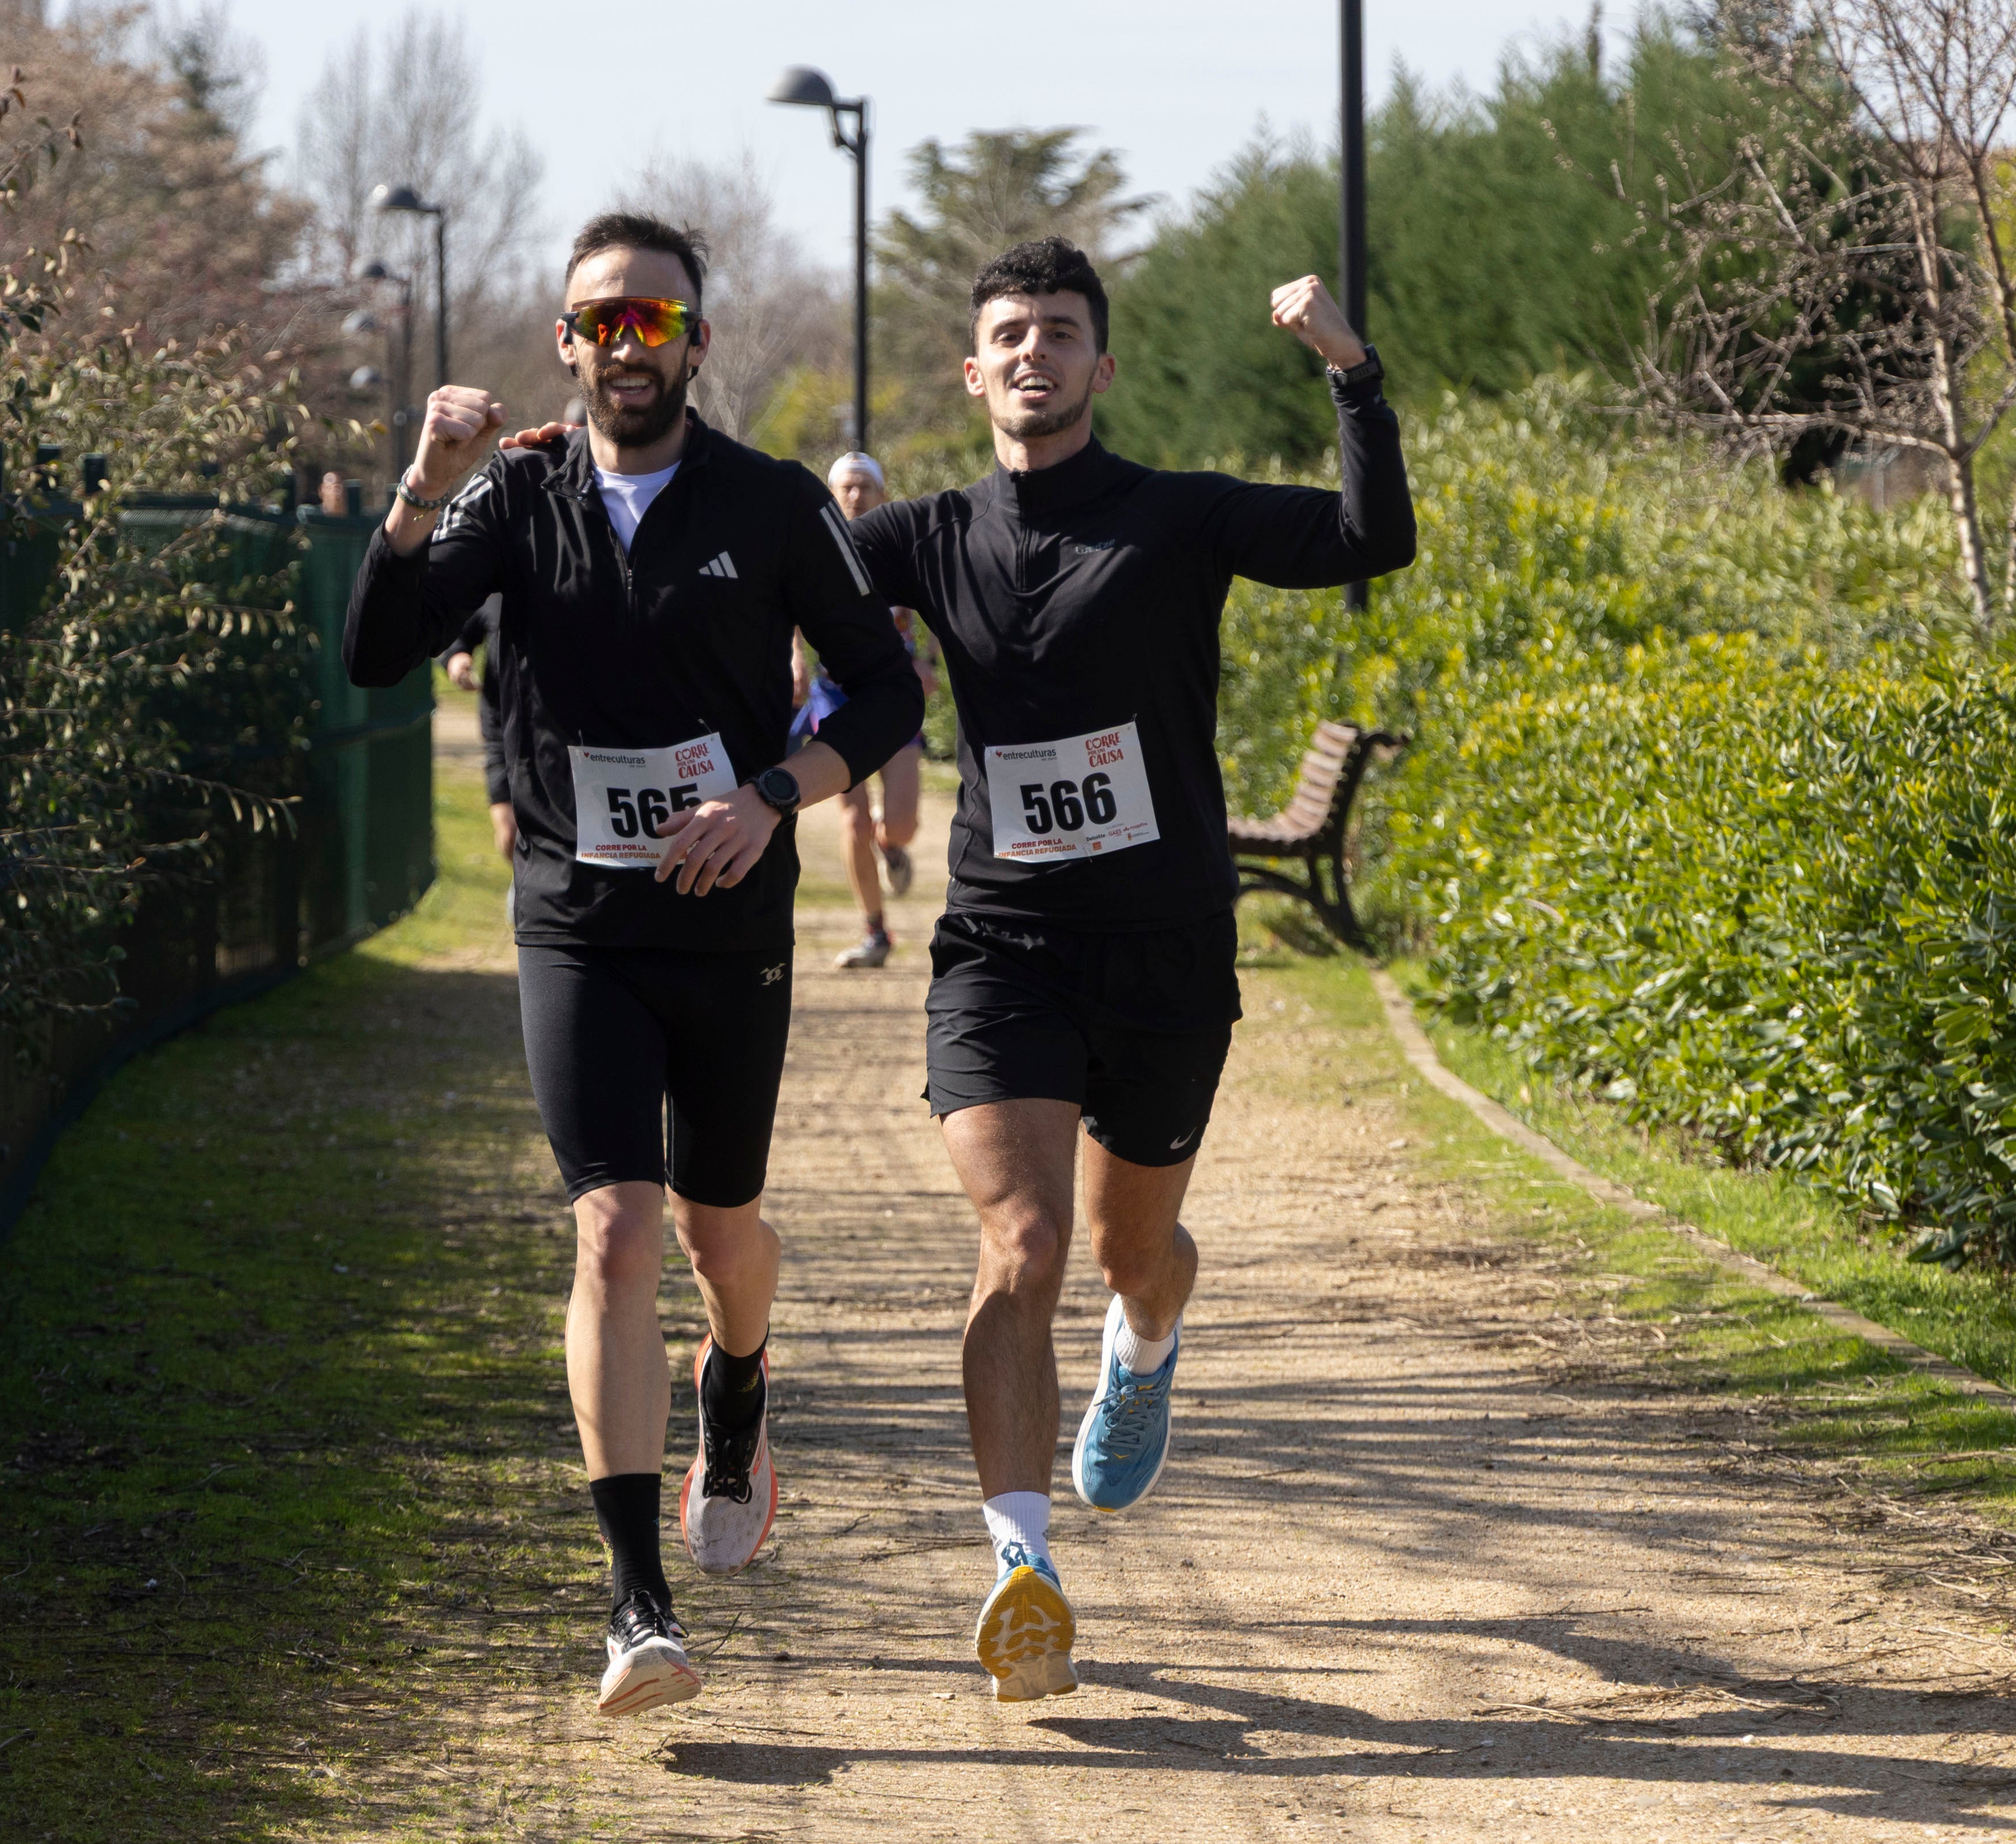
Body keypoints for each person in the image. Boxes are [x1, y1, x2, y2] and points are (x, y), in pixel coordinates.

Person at [342, 213, 923, 1719]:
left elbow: (883, 687)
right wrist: (420, 486)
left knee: (719, 1231)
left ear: (694, 342)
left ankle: (740, 1386)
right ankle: (634, 1604)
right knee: (613, 1230)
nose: (625, 345)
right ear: (564, 340)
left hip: (726, 926)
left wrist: (772, 796)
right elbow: (374, 648)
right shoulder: (516, 494)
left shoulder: (771, 503)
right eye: (599, 321)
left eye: (651, 321)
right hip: (576, 918)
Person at [846, 238, 1414, 1701]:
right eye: (1007, 334)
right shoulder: (920, 535)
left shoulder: (1172, 518)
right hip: (1003, 945)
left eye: (1059, 332)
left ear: (1100, 366)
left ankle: (1147, 1338)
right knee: (1018, 1245)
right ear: (970, 373)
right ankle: (1020, 1564)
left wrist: (1350, 374)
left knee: (1124, 1253)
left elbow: (1369, 539)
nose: (1032, 352)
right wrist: (570, 467)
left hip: (1161, 946)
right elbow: (725, 578)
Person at [790, 453, 938, 969]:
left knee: (900, 825)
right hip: (835, 694)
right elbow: (784, 603)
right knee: (850, 821)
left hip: (894, 694)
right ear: (832, 494)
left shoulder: (903, 546)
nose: (854, 496)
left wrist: (926, 661)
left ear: (882, 492)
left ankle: (890, 845)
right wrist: (795, 663)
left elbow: (936, 608)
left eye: (864, 487)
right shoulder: (813, 546)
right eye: (845, 487)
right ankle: (875, 931)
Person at [439, 594, 516, 858]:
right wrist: (457, 658)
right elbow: (456, 633)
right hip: (504, 733)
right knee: (510, 834)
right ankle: (520, 889)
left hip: (563, 739)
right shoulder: (496, 588)